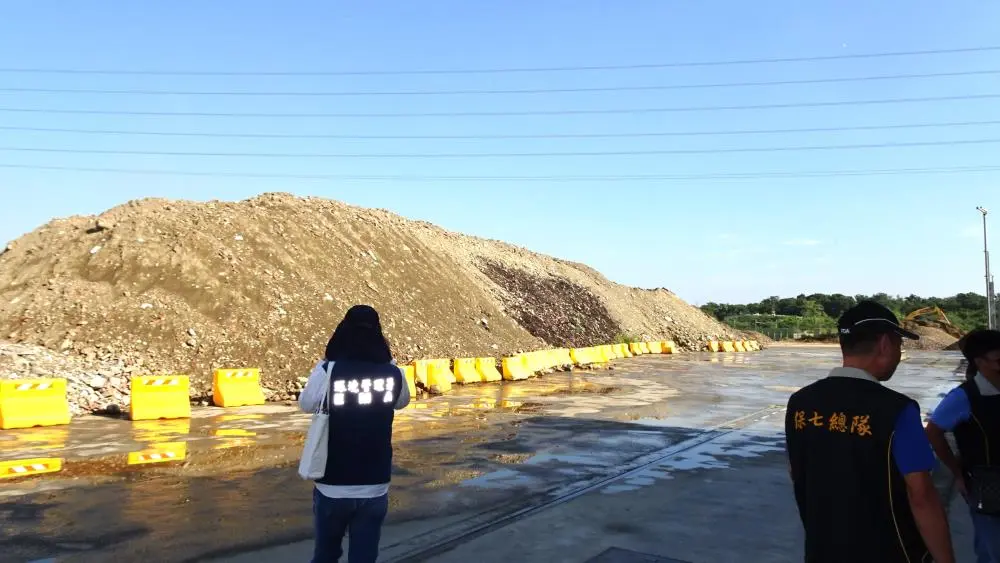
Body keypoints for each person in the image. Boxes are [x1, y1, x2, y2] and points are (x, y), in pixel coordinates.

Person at [785, 300, 955, 563]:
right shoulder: (897, 410)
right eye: (899, 345)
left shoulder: (800, 402)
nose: (899, 355)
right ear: (886, 344)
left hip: (822, 550)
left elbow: (797, 472)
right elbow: (921, 495)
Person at [299, 305, 411, 563]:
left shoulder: (329, 370)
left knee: (326, 554)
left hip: (332, 482)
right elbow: (401, 402)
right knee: (364, 556)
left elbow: (306, 404)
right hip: (374, 482)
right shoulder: (393, 372)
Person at [926, 329, 1000, 562]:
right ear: (979, 362)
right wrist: (957, 471)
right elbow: (934, 432)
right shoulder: (964, 397)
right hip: (986, 485)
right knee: (993, 549)